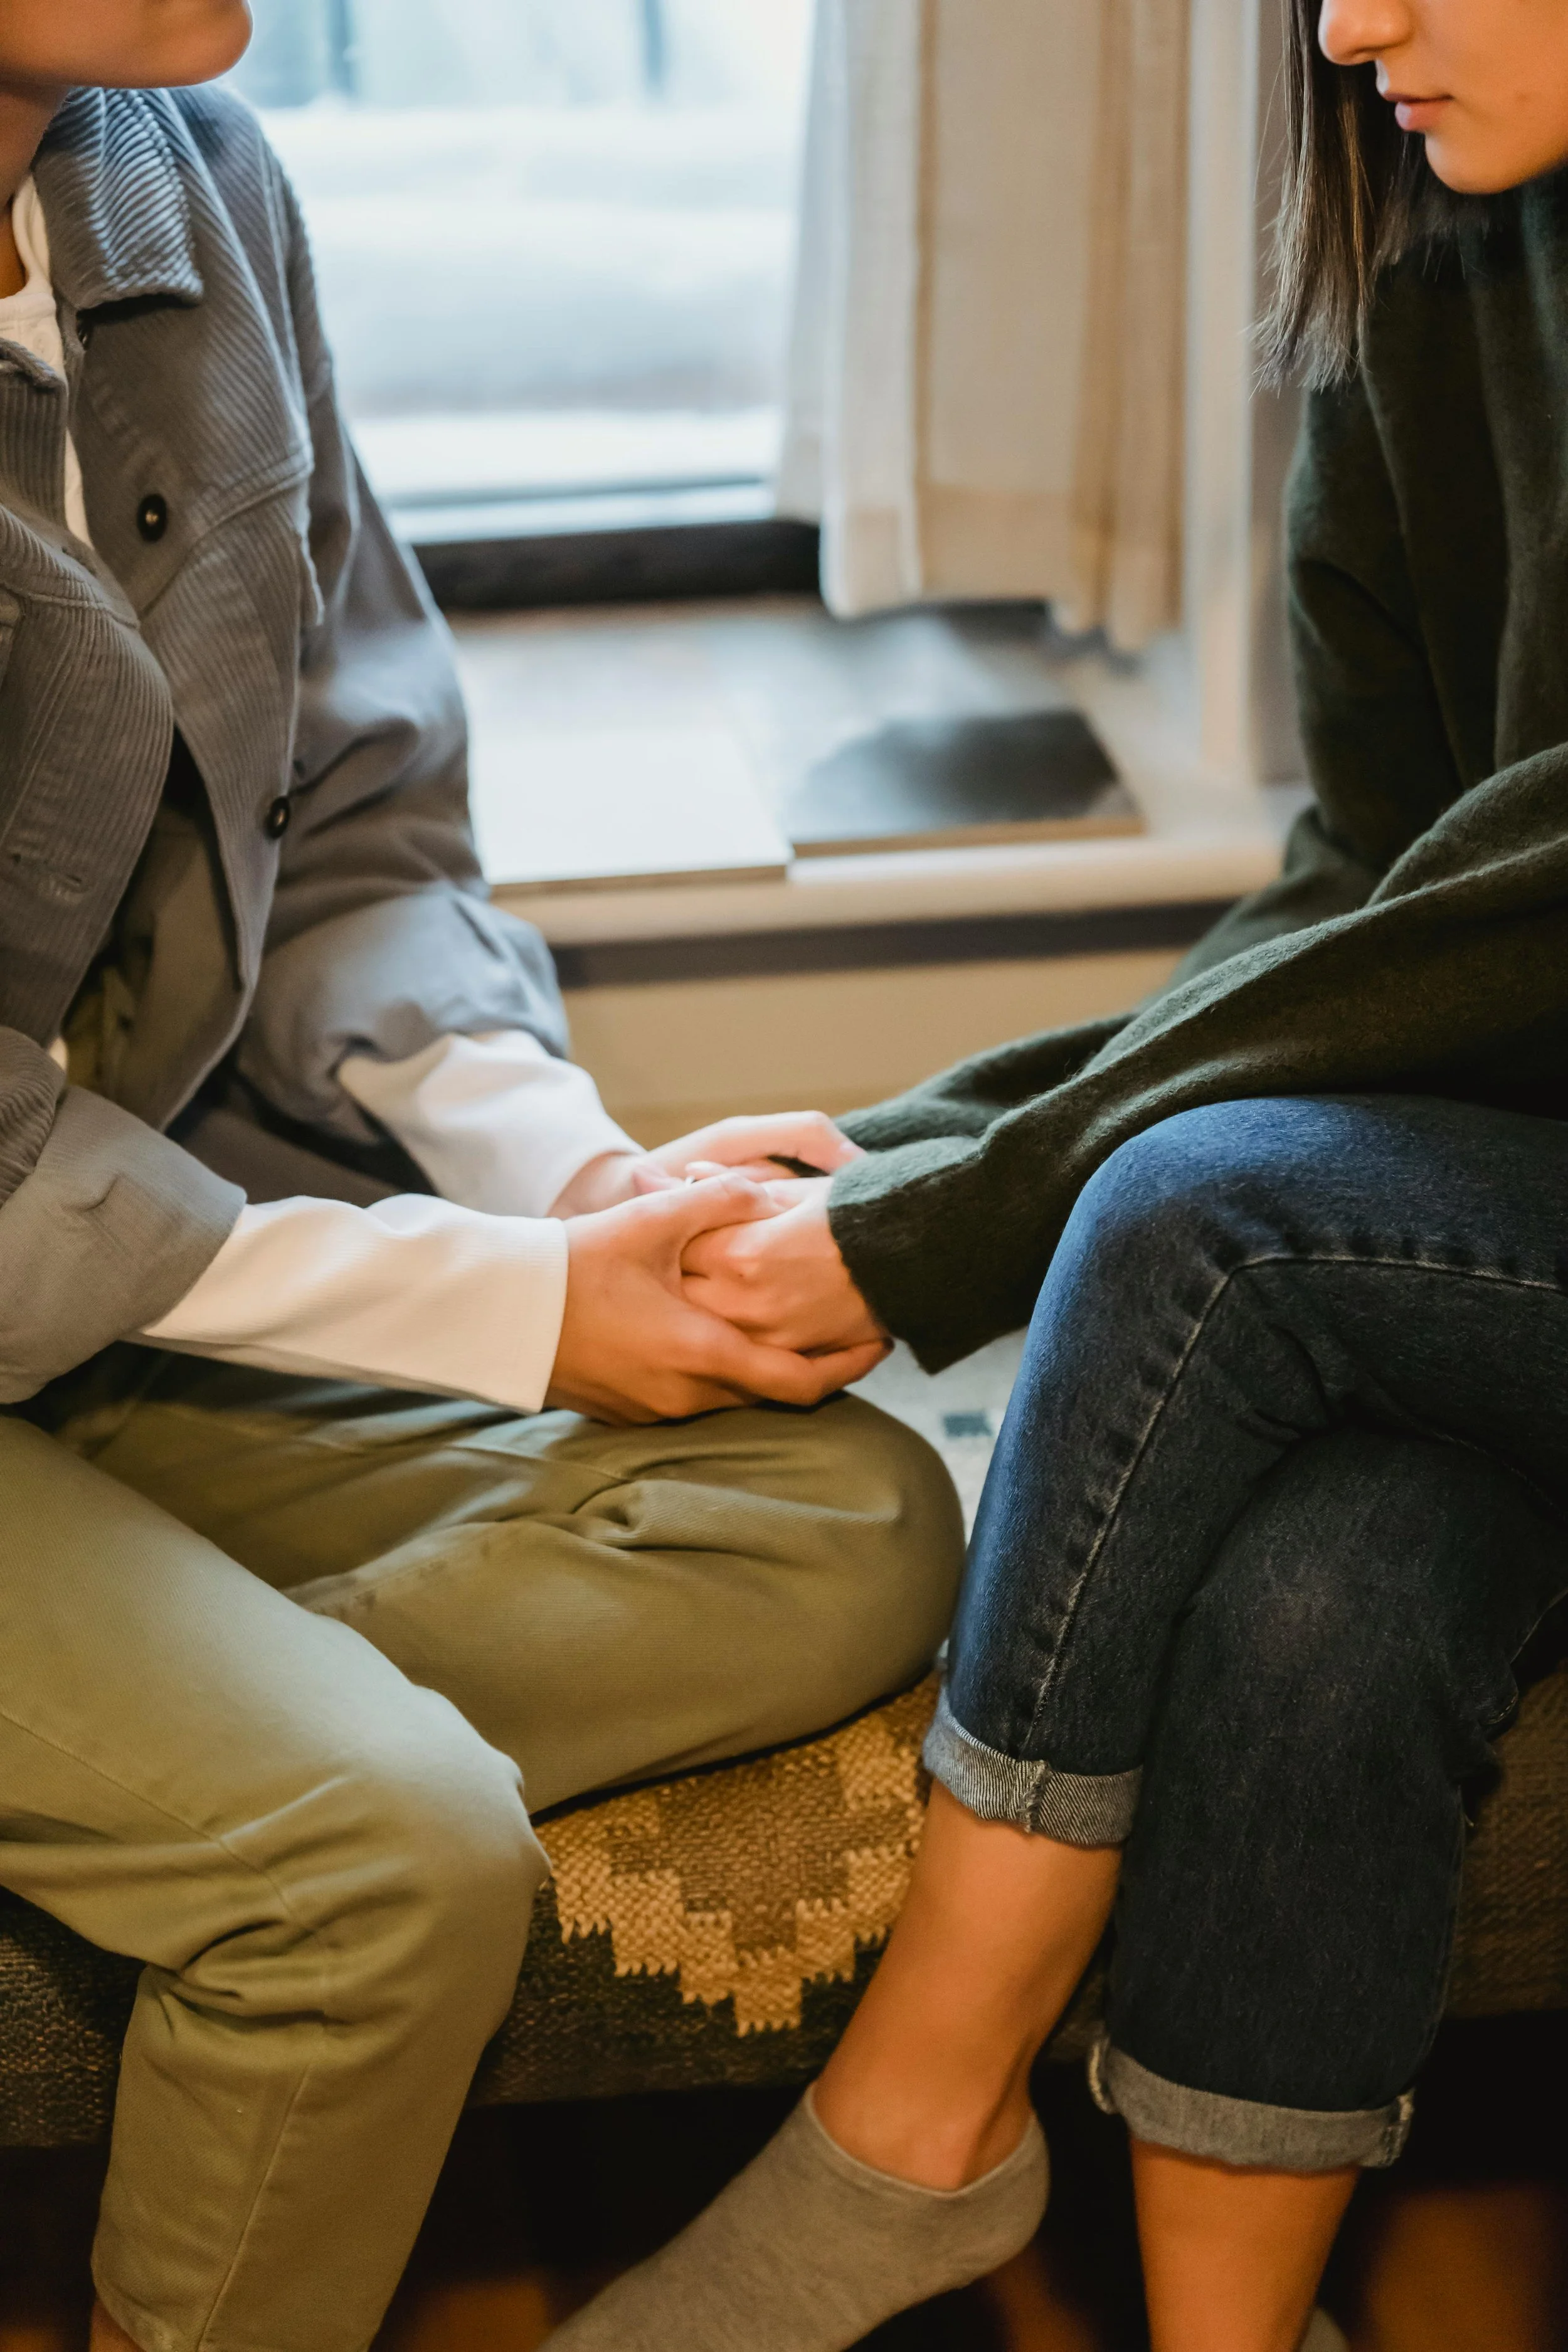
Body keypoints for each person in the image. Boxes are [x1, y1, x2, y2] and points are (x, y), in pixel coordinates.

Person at [544, 1, 1568, 2348]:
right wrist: (918, 1140)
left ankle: (908, 2123)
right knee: (1319, 1610)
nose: (1347, 25)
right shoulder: (1437, 244)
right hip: (1501, 1222)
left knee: (1200, 1210)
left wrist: (943, 1228)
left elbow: (1528, 901)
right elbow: (1371, 894)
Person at [0, 13, 965, 2352]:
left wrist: (571, 1173)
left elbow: (351, 812)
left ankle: (196, 1749)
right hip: (95, 1261)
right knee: (387, 1856)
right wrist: (503, 1313)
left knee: (851, 1515)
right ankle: (277, 1801)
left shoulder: (189, 182)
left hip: (138, 1291)